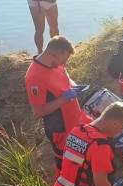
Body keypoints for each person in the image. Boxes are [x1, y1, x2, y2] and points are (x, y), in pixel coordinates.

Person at [25, 35, 90, 172]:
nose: (64, 64)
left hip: (74, 122)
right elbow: (38, 111)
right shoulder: (35, 77)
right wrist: (64, 98)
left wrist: (75, 87)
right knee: (66, 164)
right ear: (53, 54)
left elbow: (66, 77)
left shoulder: (55, 63)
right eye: (63, 60)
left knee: (79, 159)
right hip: (60, 129)